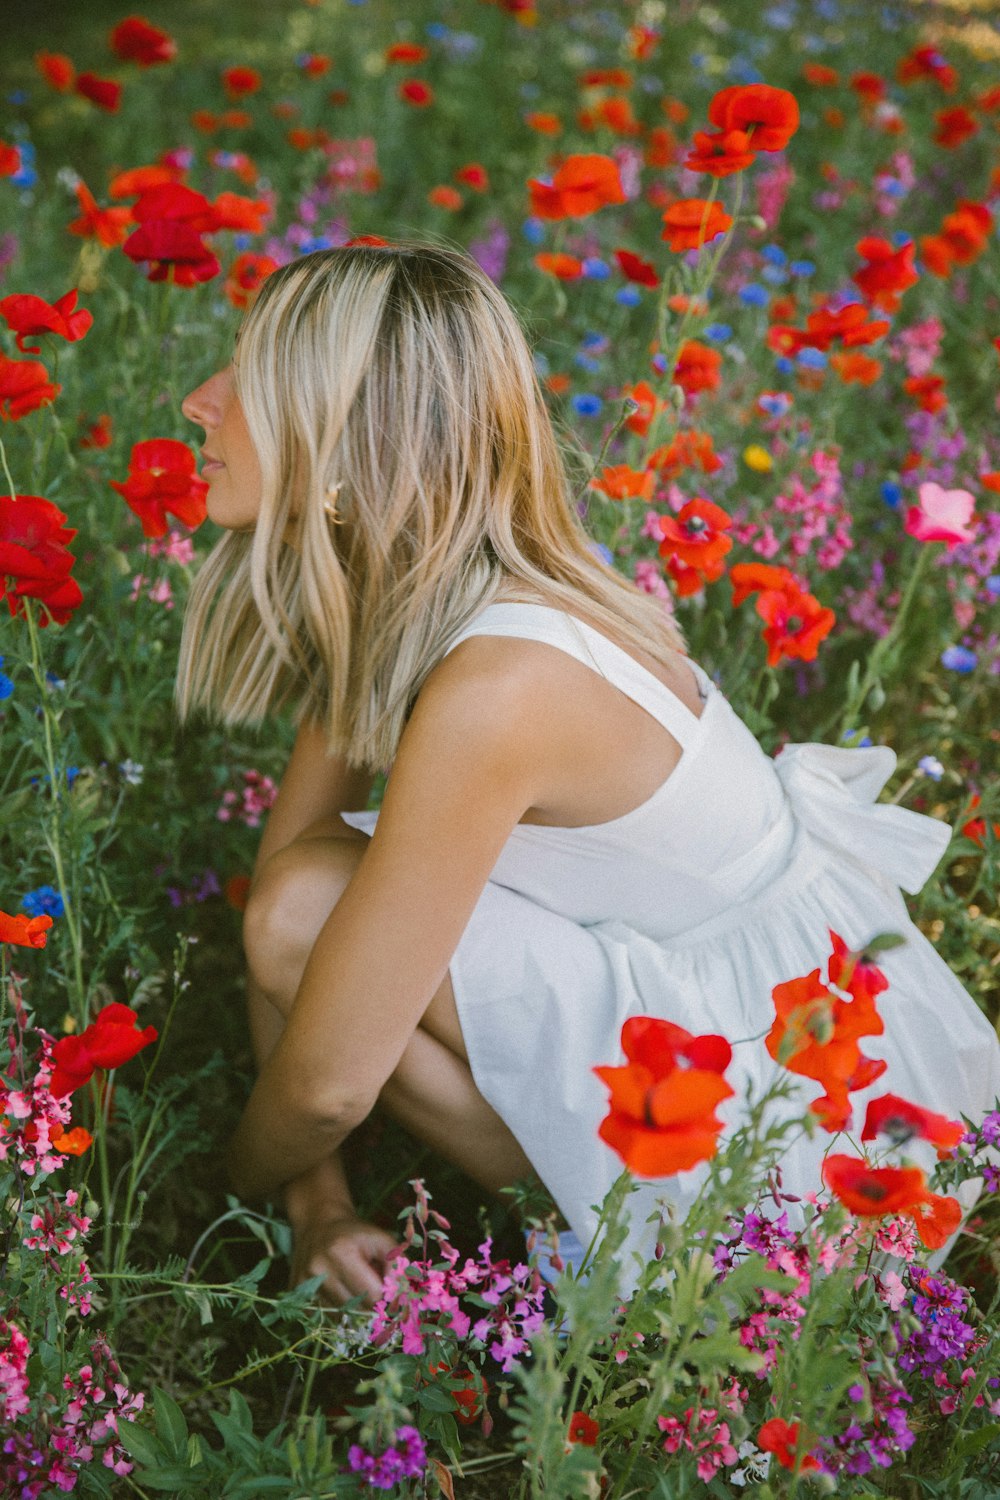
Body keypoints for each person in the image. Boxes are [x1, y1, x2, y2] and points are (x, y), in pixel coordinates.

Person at [177, 242, 1000, 1307]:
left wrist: (224, 1185)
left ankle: (658, 1271)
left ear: (343, 451)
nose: (200, 403)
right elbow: (284, 901)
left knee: (308, 914)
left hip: (798, 1146)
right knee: (304, 900)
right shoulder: (416, 595)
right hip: (724, 1037)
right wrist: (315, 1206)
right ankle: (602, 1228)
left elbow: (329, 1074)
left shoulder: (500, 685)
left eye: (249, 375)